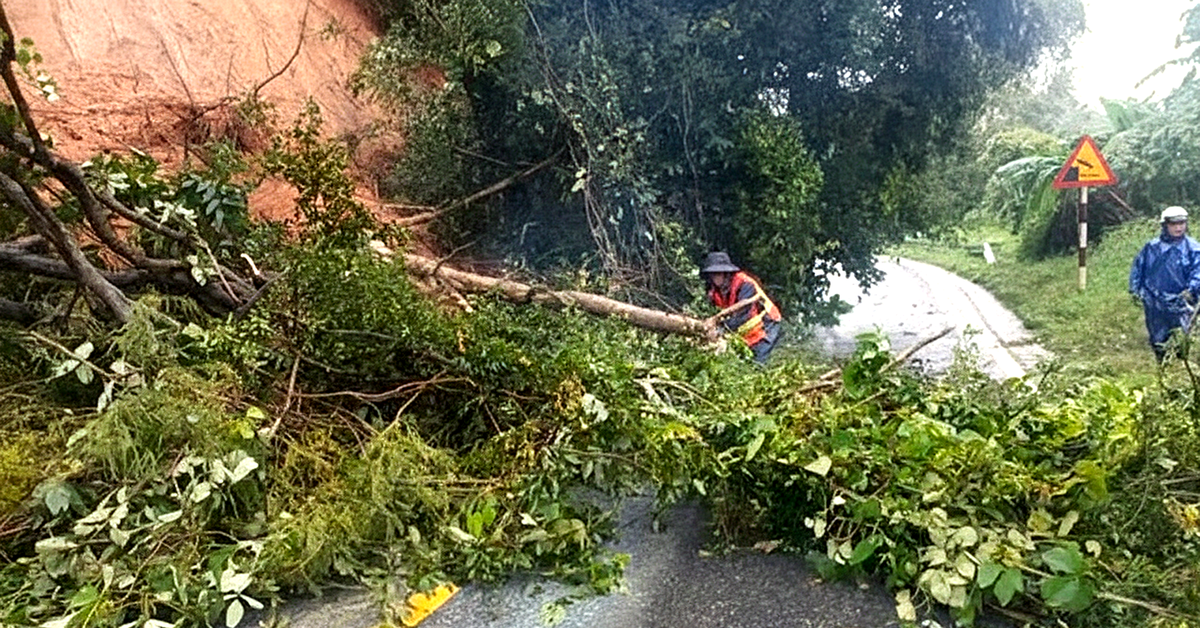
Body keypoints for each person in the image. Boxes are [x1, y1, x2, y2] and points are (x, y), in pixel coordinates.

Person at [1129, 206, 1200, 361]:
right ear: (1165, 225)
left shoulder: (1193, 248)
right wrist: (1135, 289)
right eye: (1174, 224)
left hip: (1182, 301)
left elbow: (1198, 271)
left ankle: (1181, 367)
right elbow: (1139, 268)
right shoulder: (1152, 248)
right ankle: (1162, 366)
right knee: (1158, 339)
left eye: (1182, 223)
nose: (1178, 227)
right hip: (1155, 301)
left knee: (1182, 338)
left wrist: (1191, 290)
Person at [701, 251, 783, 364]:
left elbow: (742, 316)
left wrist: (722, 328)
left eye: (717, 273)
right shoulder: (715, 293)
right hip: (746, 333)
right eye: (713, 274)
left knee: (757, 364)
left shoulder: (745, 284)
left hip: (767, 324)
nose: (715, 278)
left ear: (726, 273)